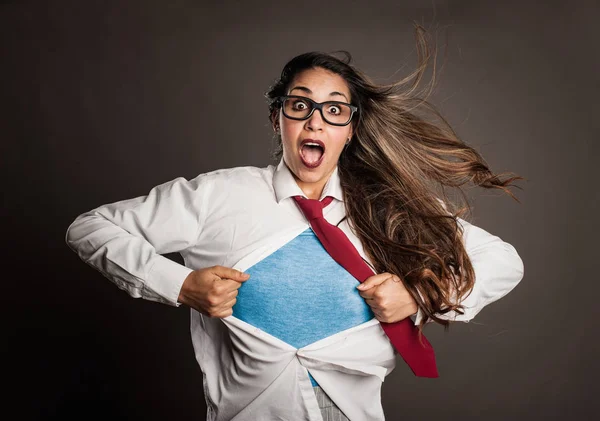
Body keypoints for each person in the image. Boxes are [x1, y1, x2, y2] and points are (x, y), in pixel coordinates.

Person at [65, 25, 524, 421]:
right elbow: (90, 228)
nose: (315, 122)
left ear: (351, 129)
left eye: (335, 110)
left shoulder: (389, 205)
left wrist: (421, 295)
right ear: (277, 118)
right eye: (299, 106)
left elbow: (502, 260)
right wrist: (180, 284)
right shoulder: (218, 195)